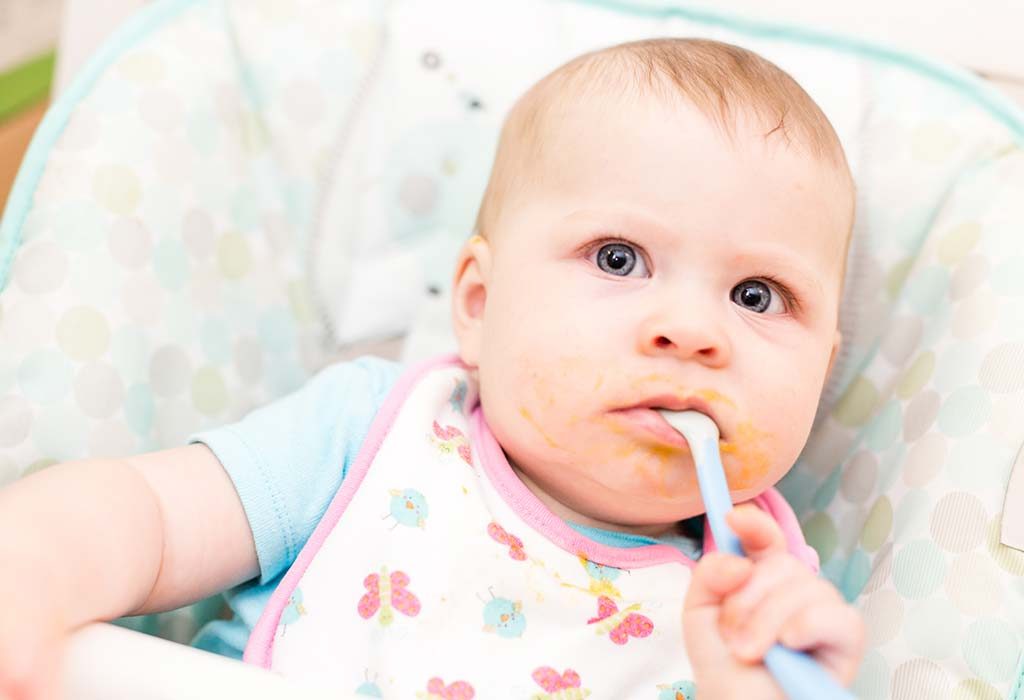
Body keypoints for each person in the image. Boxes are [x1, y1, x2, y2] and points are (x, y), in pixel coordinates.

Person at [0, 38, 863, 700]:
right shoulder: (376, 432)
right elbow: (150, 517)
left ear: (823, 371)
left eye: (756, 295)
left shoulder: (757, 599)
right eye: (618, 257)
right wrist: (35, 566)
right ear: (480, 306)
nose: (690, 330)